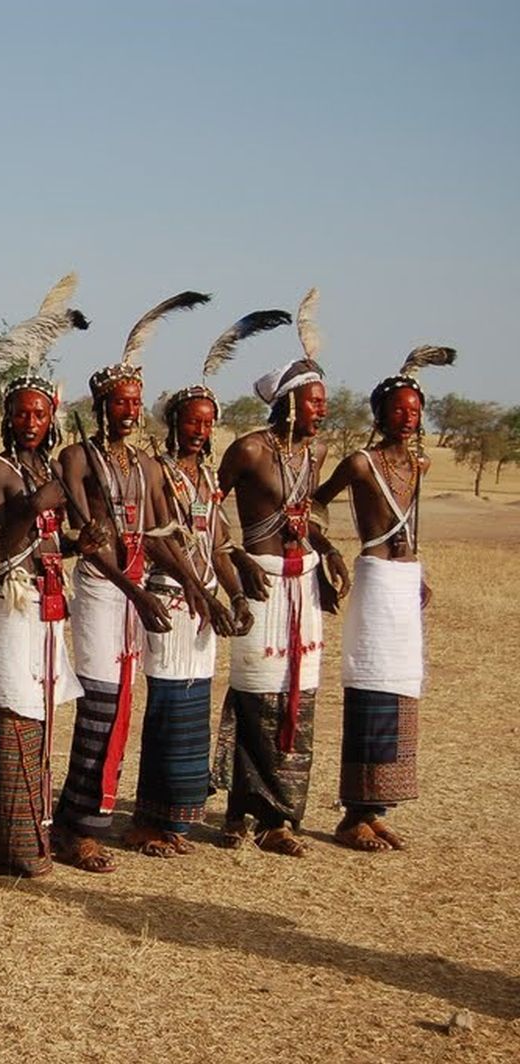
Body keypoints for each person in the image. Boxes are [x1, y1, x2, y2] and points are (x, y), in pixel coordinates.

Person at [52, 293, 206, 873]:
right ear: (101, 405)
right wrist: (135, 591)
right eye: (120, 402)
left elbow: (160, 532)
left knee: (124, 707)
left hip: (139, 588)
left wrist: (192, 581)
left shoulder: (145, 464)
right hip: (101, 587)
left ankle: (97, 814)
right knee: (100, 704)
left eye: (136, 403)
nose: (129, 411)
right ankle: (76, 826)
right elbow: (86, 538)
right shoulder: (78, 457)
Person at [126, 312, 289, 857]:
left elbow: (218, 544)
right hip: (169, 602)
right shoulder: (154, 470)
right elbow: (152, 539)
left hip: (205, 605)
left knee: (194, 707)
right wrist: (198, 589)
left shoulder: (203, 479)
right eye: (192, 422)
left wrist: (236, 594)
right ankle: (147, 821)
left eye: (207, 423)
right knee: (169, 705)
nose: (200, 431)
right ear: (174, 421)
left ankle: (175, 819)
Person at [212, 288, 351, 858]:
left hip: (303, 584)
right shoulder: (248, 450)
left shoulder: (312, 456)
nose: (322, 410)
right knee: (259, 696)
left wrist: (329, 547)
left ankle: (281, 818)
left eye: (324, 402)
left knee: (301, 697)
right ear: (290, 402)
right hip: (263, 582)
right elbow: (203, 508)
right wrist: (234, 559)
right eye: (315, 402)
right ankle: (245, 810)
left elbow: (306, 513)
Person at [0, 275, 90, 877]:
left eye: (40, 413)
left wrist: (75, 542)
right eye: (21, 413)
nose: (31, 421)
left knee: (41, 716)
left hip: (48, 601)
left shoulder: (49, 467)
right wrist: (46, 493)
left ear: (51, 417)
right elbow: (5, 538)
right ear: (8, 417)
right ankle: (10, 845)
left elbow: (47, 540)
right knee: (15, 712)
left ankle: (31, 837)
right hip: (13, 604)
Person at [311, 344, 453, 851]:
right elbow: (313, 507)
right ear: (379, 415)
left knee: (400, 693)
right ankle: (353, 812)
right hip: (373, 583)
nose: (408, 417)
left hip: (403, 584)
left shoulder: (419, 465)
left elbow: (410, 525)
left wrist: (418, 574)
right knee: (371, 692)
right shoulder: (360, 463)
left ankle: (376, 810)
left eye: (415, 410)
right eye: (399, 409)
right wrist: (326, 551)